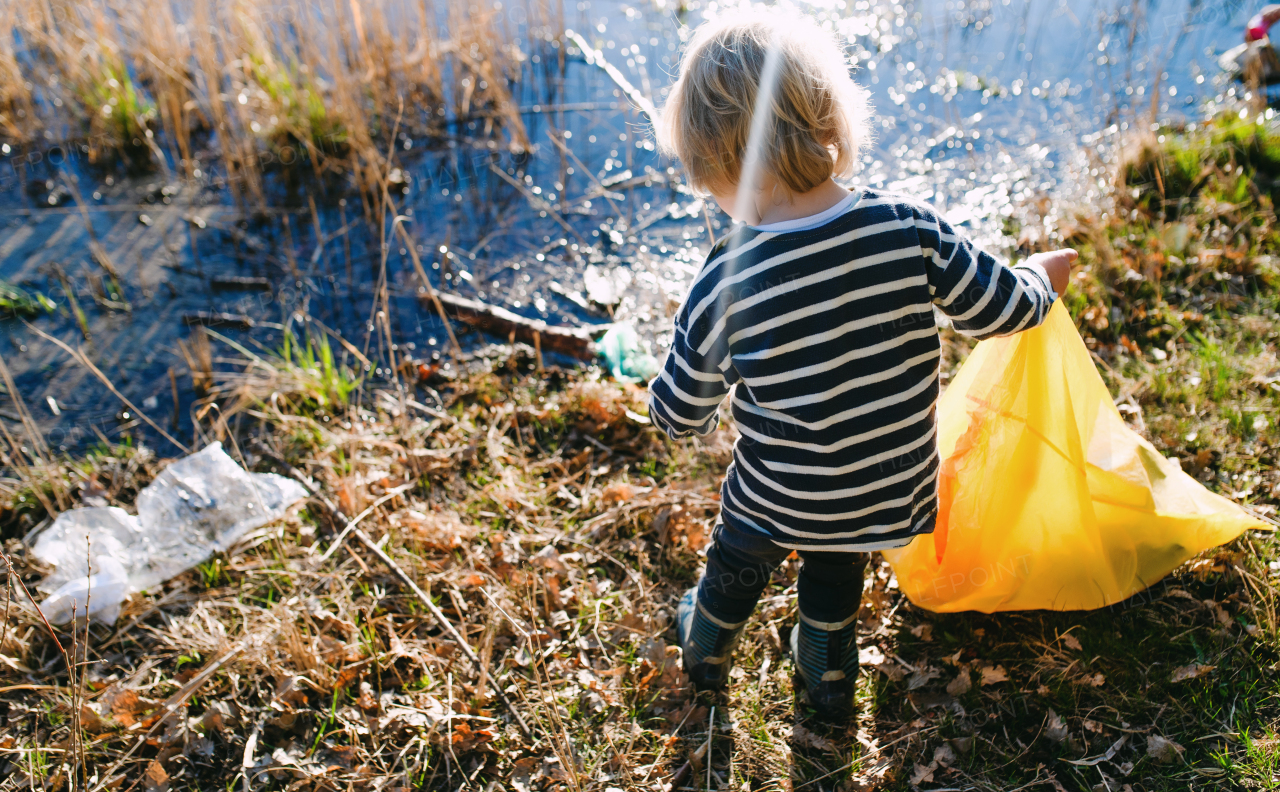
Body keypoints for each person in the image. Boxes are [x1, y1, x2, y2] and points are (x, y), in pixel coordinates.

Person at [648, 10, 1075, 720]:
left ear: (714, 160)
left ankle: (706, 644)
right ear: (827, 121)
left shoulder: (726, 278)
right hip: (885, 492)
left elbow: (681, 414)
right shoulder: (909, 228)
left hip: (779, 493)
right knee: (837, 554)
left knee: (740, 551)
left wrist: (660, 396)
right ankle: (828, 666)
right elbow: (1002, 308)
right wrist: (1039, 276)